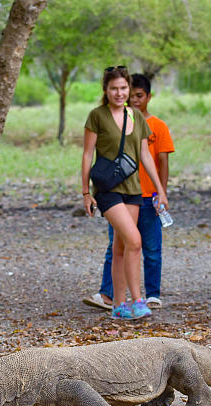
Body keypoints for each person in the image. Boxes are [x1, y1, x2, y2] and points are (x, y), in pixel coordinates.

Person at [81, 66, 169, 320]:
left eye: (123, 88)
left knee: (121, 247)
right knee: (134, 240)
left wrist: (160, 190)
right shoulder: (97, 116)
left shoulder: (136, 117)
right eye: (114, 88)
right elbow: (87, 154)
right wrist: (86, 192)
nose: (119, 93)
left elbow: (144, 155)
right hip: (108, 190)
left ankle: (119, 305)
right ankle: (137, 299)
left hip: (134, 189)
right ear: (105, 90)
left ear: (128, 89)